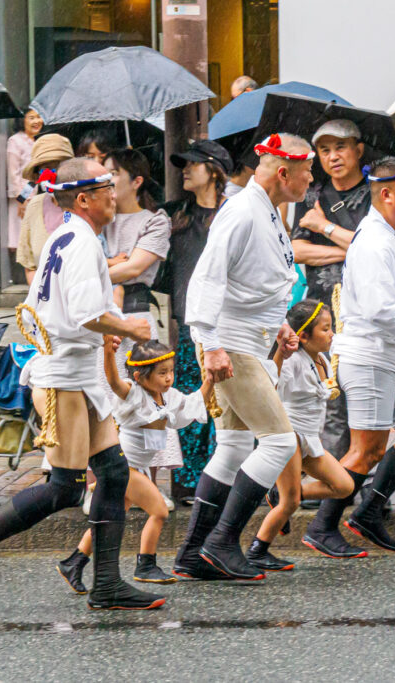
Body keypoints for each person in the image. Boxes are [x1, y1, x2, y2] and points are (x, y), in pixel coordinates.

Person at [0, 157, 162, 611]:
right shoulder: (80, 242)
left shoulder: (70, 235)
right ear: (84, 198)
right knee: (64, 486)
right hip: (63, 375)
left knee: (115, 473)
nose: (113, 195)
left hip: (76, 372)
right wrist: (132, 328)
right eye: (106, 188)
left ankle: (106, 584)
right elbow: (85, 313)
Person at [173, 132, 311, 581]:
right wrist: (210, 344)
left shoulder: (267, 210)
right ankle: (221, 541)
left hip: (245, 340)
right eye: (307, 170)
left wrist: (280, 324)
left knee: (233, 446)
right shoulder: (243, 210)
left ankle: (193, 553)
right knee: (278, 441)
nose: (313, 178)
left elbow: (256, 281)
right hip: (229, 345)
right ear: (284, 172)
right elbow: (207, 278)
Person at [309, 156, 395, 553]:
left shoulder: (392, 238)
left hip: (391, 358)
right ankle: (320, 524)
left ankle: (368, 511)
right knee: (365, 451)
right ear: (386, 194)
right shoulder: (372, 242)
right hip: (369, 358)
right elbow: (376, 308)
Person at [57, 339, 212, 592]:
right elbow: (113, 381)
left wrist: (210, 381)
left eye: (171, 371)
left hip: (135, 468)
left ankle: (74, 561)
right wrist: (108, 352)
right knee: (159, 511)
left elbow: (192, 405)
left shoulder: (167, 396)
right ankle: (146, 565)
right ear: (140, 376)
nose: (168, 378)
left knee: (111, 516)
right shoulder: (133, 393)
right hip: (123, 466)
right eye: (162, 373)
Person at [291, 119, 371, 487]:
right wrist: (345, 246)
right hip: (320, 307)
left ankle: (358, 473)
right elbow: (294, 250)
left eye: (340, 147)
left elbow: (372, 251)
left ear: (358, 149)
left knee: (362, 393)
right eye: (324, 150)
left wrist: (323, 228)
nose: (332, 156)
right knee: (328, 392)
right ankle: (329, 477)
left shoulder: (373, 194)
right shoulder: (312, 194)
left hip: (363, 307)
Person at [250, 299, 358, 568]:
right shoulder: (294, 361)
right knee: (290, 502)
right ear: (304, 336)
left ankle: (279, 494)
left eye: (331, 327)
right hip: (291, 437)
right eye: (325, 329)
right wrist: (281, 353)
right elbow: (270, 382)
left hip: (311, 439)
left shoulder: (321, 359)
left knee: (344, 486)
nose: (331, 333)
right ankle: (257, 550)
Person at [157, 139, 233, 504]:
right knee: (190, 396)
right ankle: (190, 479)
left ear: (215, 171)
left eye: (192, 164)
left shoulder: (235, 213)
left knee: (225, 399)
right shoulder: (174, 214)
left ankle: (222, 475)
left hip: (228, 321)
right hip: (188, 323)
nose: (184, 170)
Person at [101, 149, 179, 480]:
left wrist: (99, 269)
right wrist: (108, 266)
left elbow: (136, 267)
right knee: (107, 396)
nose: (107, 179)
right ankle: (109, 479)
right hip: (102, 315)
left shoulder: (154, 220)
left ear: (136, 181)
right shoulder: (96, 219)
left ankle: (151, 478)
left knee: (150, 396)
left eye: (113, 172)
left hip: (138, 312)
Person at [15, 134, 75, 283]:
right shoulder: (34, 207)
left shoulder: (86, 203)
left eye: (59, 166)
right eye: (47, 168)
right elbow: (30, 265)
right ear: (38, 175)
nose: (54, 172)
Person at [6, 108, 43, 283]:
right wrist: (21, 199)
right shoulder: (15, 141)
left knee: (31, 238)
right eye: (31, 118)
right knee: (22, 239)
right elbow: (13, 173)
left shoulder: (35, 142)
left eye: (38, 117)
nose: (37, 121)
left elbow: (33, 175)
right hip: (20, 199)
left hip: (32, 196)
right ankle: (22, 279)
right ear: (22, 121)